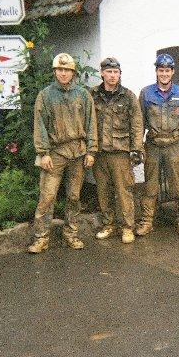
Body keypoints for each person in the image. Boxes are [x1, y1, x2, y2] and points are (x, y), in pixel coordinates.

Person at [28, 53, 98, 254]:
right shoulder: (45, 95)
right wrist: (43, 153)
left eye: (67, 70)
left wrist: (91, 151)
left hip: (78, 153)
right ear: (54, 72)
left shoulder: (83, 95)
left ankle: (71, 234)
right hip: (55, 154)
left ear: (73, 72)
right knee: (47, 197)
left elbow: (91, 123)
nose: (63, 73)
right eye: (60, 69)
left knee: (74, 196)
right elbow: (39, 125)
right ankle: (41, 238)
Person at [136, 53, 179, 237]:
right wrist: (138, 145)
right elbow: (139, 122)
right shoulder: (146, 93)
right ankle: (147, 222)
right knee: (150, 186)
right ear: (156, 71)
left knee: (178, 186)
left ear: (172, 72)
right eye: (161, 70)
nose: (164, 74)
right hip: (153, 145)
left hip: (175, 145)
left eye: (167, 70)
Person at [91, 57, 144, 244]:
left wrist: (136, 149)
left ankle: (128, 227)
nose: (113, 76)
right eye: (109, 72)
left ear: (120, 74)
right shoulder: (93, 95)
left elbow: (137, 124)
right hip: (99, 152)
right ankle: (108, 225)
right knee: (103, 191)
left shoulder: (128, 96)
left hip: (120, 152)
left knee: (124, 192)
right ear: (102, 73)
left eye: (116, 72)